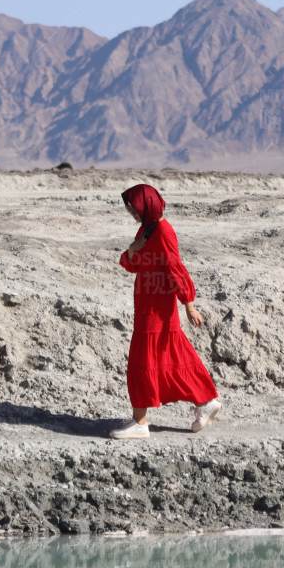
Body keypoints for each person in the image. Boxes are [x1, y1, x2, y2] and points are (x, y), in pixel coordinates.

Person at [112, 183, 222, 440]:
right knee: (169, 357)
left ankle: (140, 422)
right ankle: (205, 401)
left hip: (158, 307)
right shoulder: (147, 229)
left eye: (134, 209)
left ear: (146, 205)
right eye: (130, 210)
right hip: (147, 303)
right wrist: (132, 250)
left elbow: (175, 267)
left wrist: (189, 304)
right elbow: (132, 264)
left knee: (142, 362)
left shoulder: (163, 231)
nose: (132, 214)